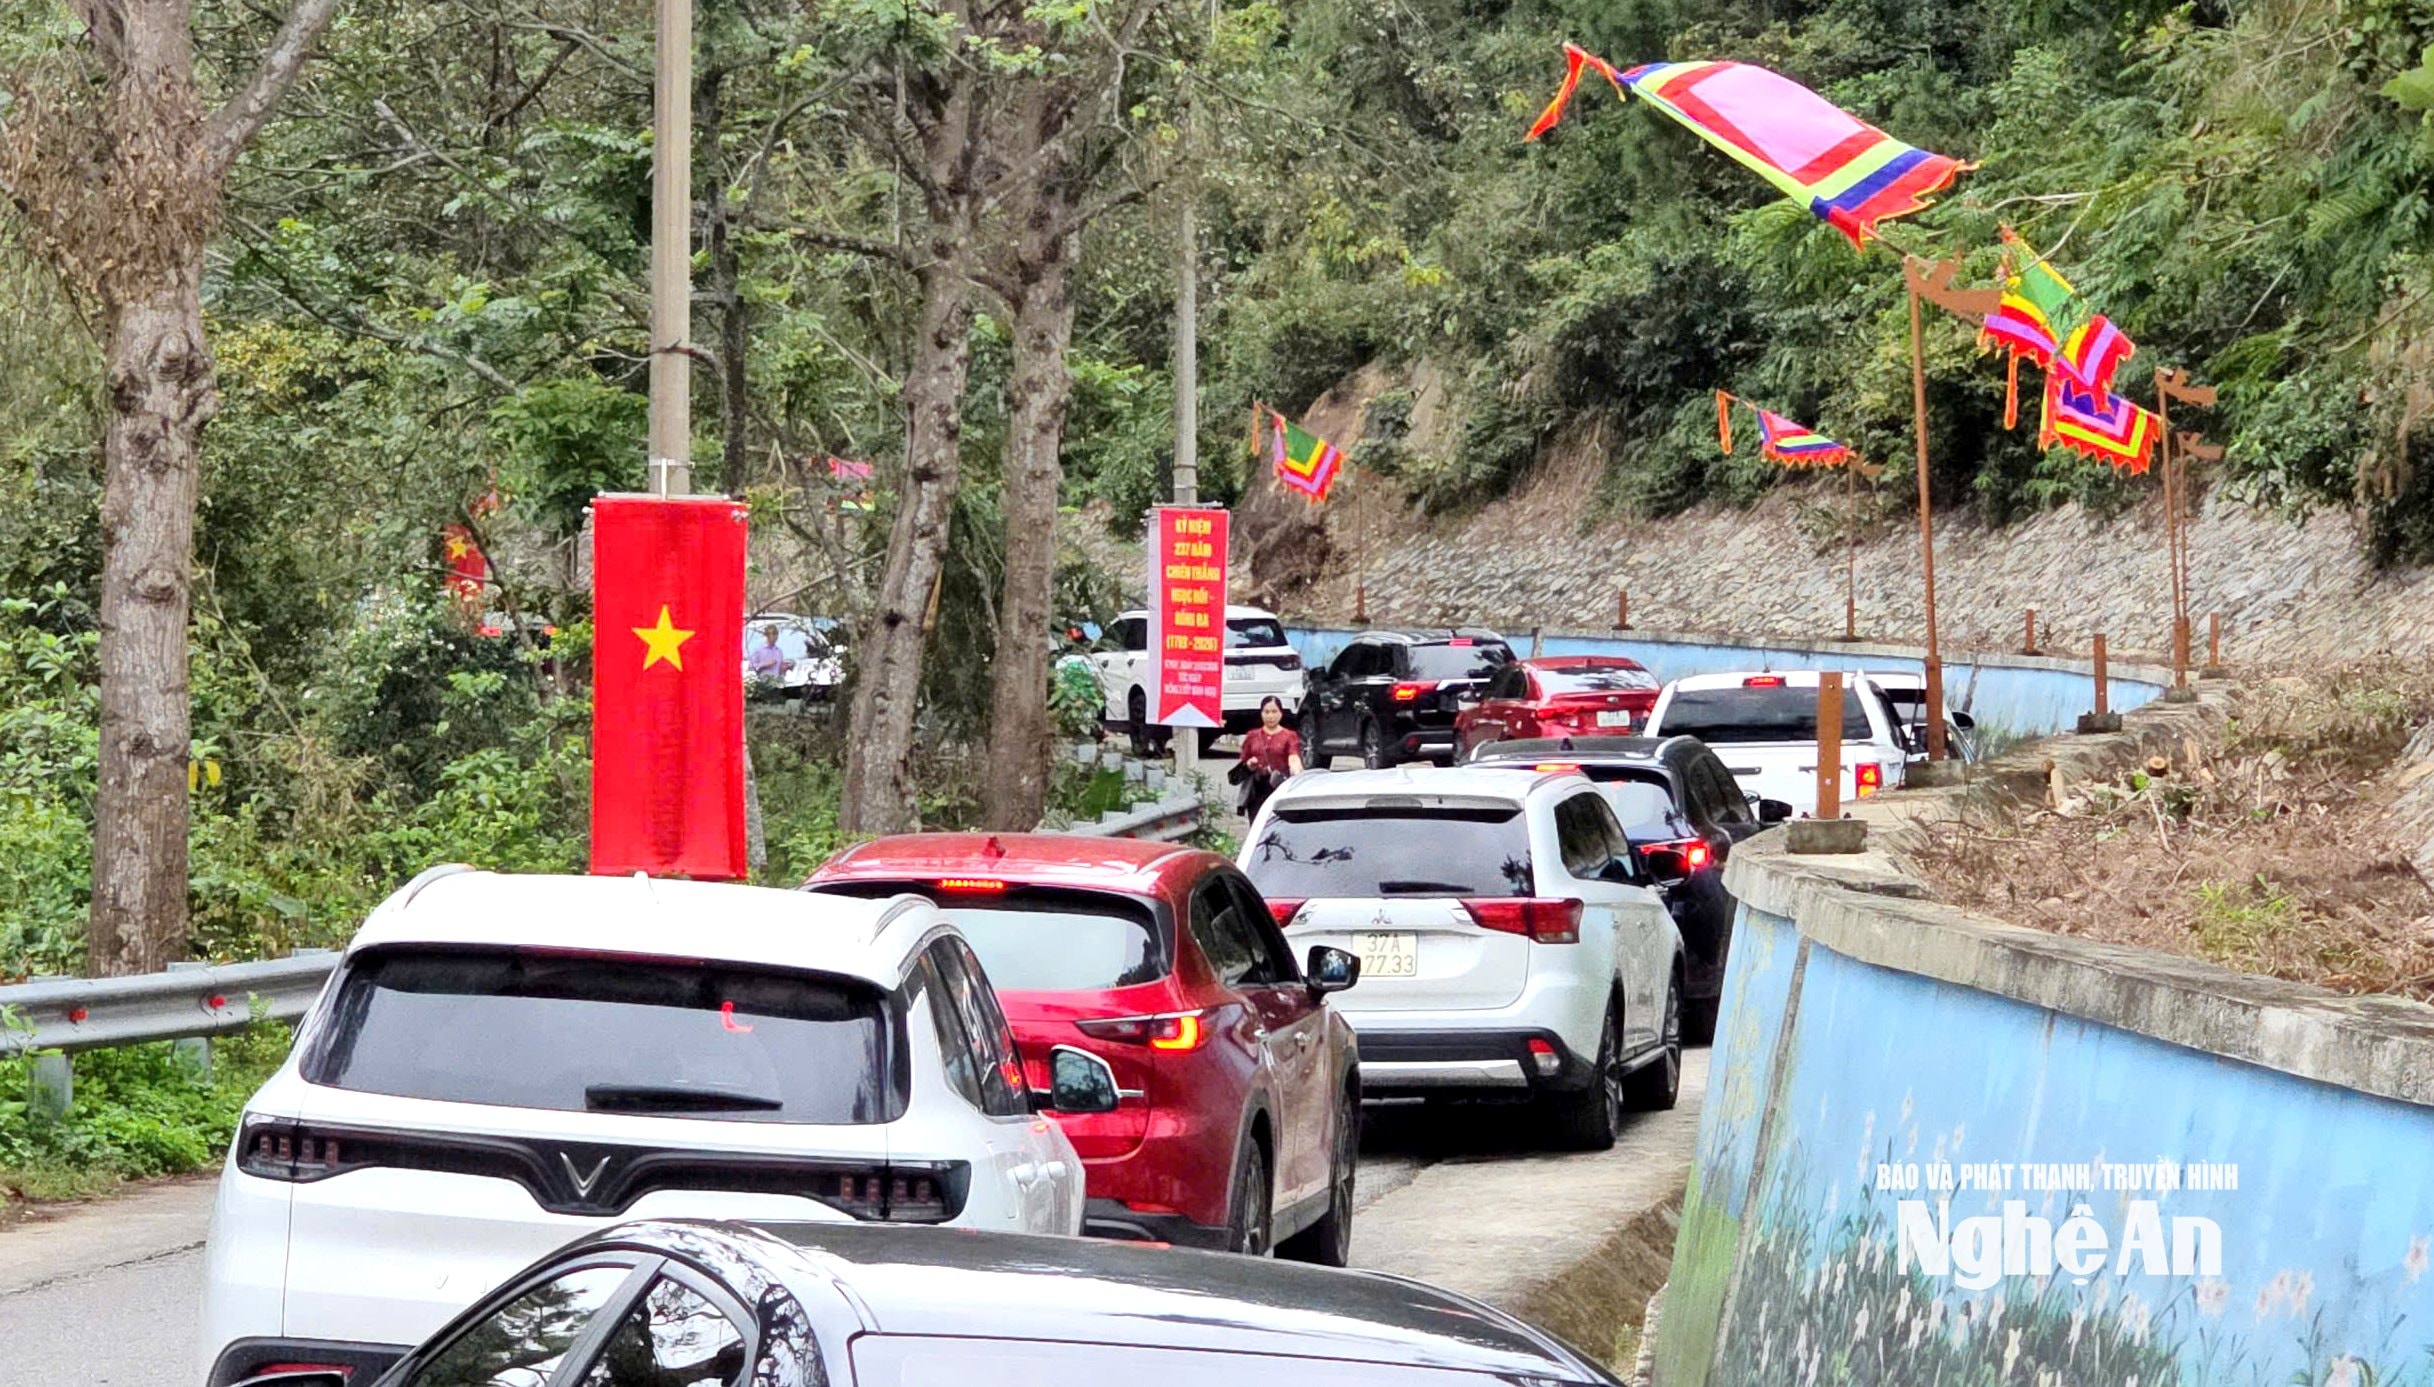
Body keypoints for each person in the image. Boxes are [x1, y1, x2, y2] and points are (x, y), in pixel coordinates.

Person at [1232, 695, 1306, 821]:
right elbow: (1244, 761)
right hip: (1256, 790)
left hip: (1278, 786)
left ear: (1281, 713)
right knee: (1257, 823)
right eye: (1266, 712)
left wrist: (1297, 774)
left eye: (1274, 712)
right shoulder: (1252, 736)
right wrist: (1250, 764)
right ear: (1261, 713)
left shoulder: (1289, 736)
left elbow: (1294, 757)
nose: (1270, 716)